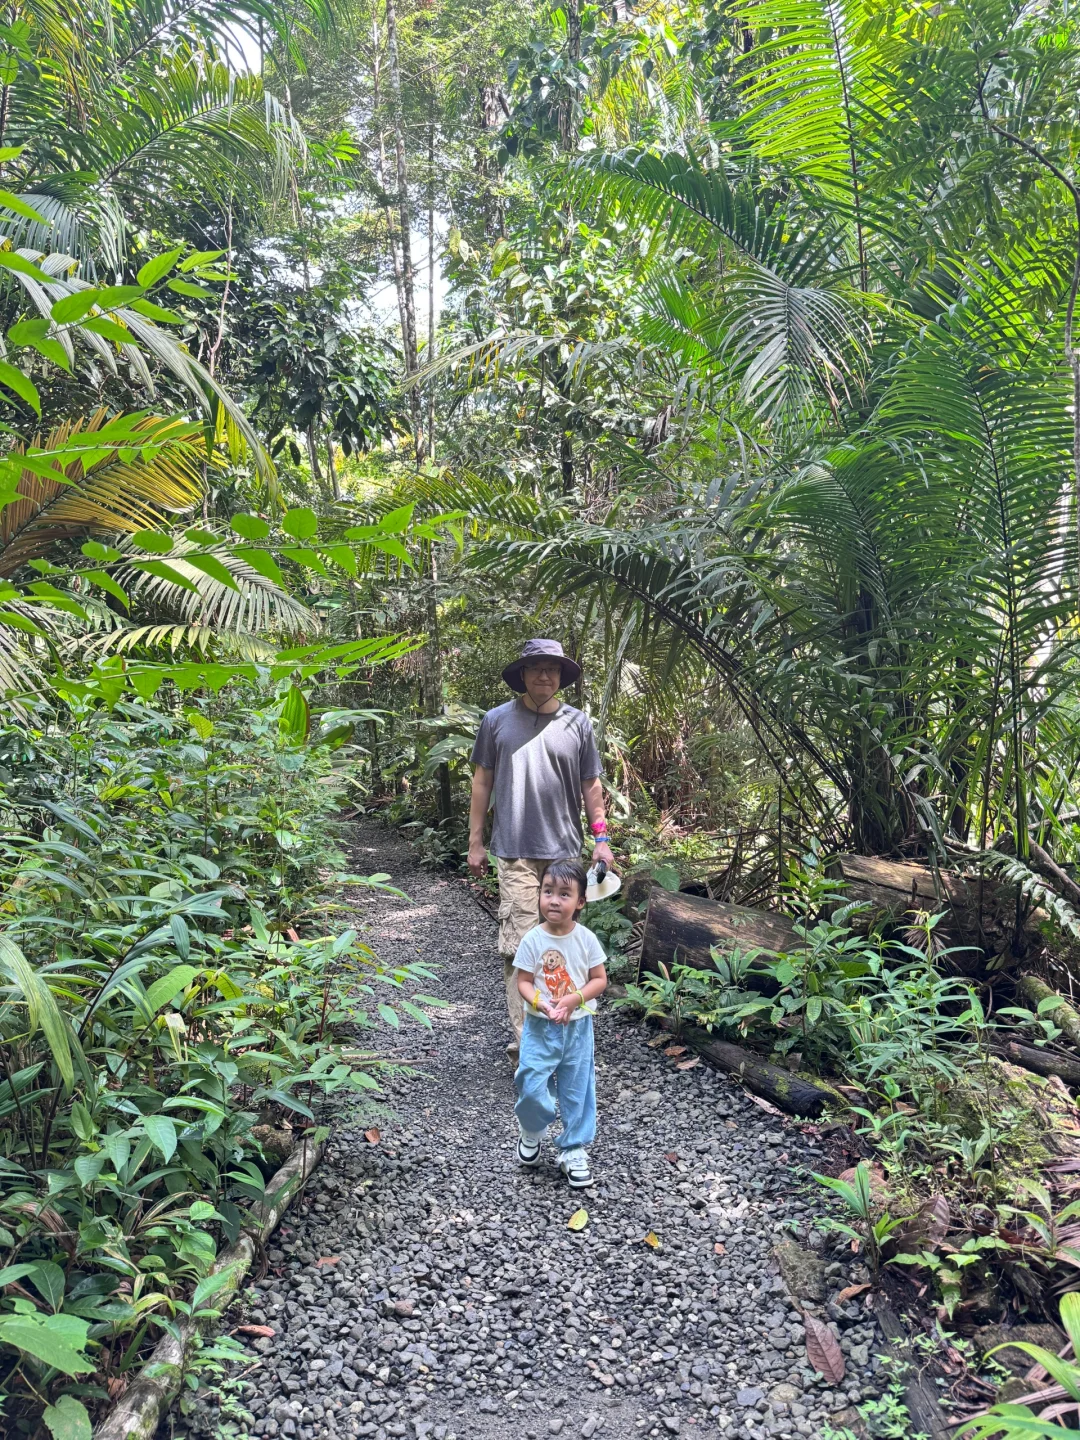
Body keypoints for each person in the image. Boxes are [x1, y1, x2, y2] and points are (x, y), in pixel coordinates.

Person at [468, 638, 615, 1058]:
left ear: (561, 677)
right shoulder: (496, 721)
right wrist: (475, 842)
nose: (544, 676)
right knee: (518, 946)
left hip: (564, 853)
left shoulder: (577, 724)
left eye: (552, 669)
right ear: (523, 675)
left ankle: (561, 1034)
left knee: (564, 944)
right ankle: (526, 1044)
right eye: (536, 668)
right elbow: (482, 781)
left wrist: (601, 840)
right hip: (514, 850)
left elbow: (591, 785)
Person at [512, 858, 607, 1188]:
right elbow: (522, 981)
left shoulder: (586, 940)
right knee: (531, 1082)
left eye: (564, 894)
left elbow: (599, 980)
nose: (554, 900)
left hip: (578, 1028)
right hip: (540, 1028)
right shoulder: (532, 940)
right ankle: (533, 1128)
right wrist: (539, 1002)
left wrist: (573, 999)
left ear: (580, 902)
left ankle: (573, 1147)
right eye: (548, 891)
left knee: (577, 1089)